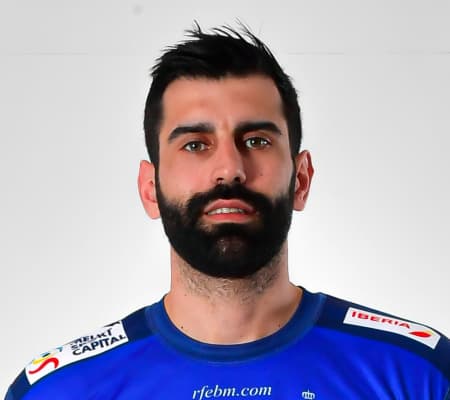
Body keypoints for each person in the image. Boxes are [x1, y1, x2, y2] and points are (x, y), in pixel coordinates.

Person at [5, 24, 449, 400]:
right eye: (195, 144)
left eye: (256, 140)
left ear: (300, 179)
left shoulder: (418, 376)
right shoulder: (59, 390)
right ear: (150, 189)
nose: (230, 169)